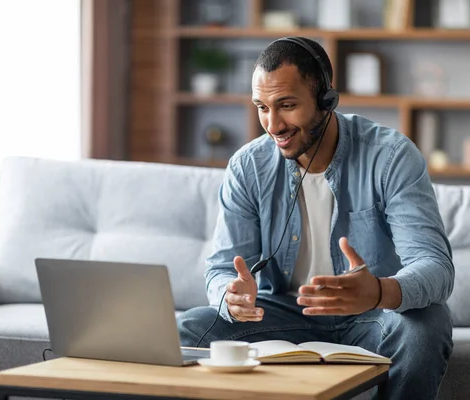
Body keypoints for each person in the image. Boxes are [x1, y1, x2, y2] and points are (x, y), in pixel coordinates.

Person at [177, 36, 454, 400]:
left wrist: (380, 292)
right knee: (187, 330)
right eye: (262, 107)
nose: (273, 124)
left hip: (371, 315)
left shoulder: (390, 157)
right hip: (281, 313)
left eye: (287, 105)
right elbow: (221, 270)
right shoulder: (248, 167)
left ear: (326, 100)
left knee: (425, 328)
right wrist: (231, 296)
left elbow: (435, 266)